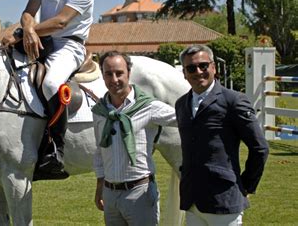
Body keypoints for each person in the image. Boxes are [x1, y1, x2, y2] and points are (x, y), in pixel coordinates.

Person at [2, 0, 95, 179]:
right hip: (40, 37)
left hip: (70, 44)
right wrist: (25, 30)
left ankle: (55, 150)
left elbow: (61, 22)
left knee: (52, 83)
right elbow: (28, 12)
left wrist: (24, 33)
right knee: (5, 60)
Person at [175, 44, 269, 226]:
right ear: (184, 73)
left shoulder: (233, 101)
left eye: (203, 65)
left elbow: (260, 148)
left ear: (214, 67)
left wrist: (247, 186)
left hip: (224, 199)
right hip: (192, 202)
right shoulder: (181, 105)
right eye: (191, 68)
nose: (198, 71)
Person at [92, 51, 177, 226]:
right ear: (102, 75)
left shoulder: (148, 107)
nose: (114, 79)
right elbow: (100, 151)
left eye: (119, 73)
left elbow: (185, 118)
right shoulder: (100, 111)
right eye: (108, 74)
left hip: (140, 194)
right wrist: (100, 185)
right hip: (110, 194)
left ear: (129, 73)